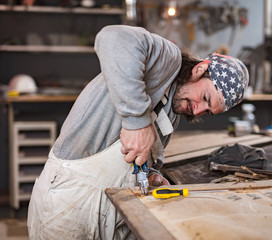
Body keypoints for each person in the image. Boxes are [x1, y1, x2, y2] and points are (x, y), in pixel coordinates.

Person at [27, 25, 249, 239]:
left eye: (208, 111)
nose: (198, 110)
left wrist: (151, 174)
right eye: (205, 98)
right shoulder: (167, 60)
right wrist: (137, 122)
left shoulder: (171, 114)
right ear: (200, 70)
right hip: (69, 204)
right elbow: (112, 38)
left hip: (109, 212)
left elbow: (136, 161)